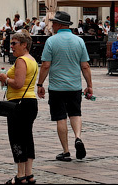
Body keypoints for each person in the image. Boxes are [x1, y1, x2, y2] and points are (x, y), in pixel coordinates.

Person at [36, 11, 93, 162]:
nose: (52, 25)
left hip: (57, 87)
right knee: (75, 114)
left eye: (54, 22)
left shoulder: (51, 41)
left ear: (61, 25)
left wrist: (40, 84)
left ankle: (66, 151)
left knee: (60, 118)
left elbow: (46, 65)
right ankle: (78, 137)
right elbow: (85, 66)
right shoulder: (79, 41)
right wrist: (89, 85)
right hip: (74, 86)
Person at [0, 31, 39, 185]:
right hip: (29, 102)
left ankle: (20, 175)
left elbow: (18, 83)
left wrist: (5, 79)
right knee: (27, 137)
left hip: (19, 103)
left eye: (14, 43)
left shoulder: (21, 61)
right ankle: (29, 174)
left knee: (17, 138)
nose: (11, 46)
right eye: (11, 43)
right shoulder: (32, 60)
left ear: (24, 45)